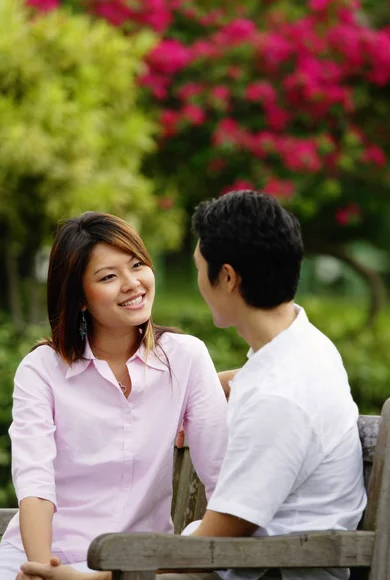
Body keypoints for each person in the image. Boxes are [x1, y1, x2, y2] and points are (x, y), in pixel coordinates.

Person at [20, 191, 367, 580]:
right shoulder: (302, 352)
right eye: (109, 275)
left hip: (264, 567)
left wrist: (96, 579)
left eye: (199, 267)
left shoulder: (277, 394)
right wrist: (211, 383)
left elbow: (218, 542)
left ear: (227, 278)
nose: (134, 283)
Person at [0, 211, 228, 580]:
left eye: (137, 264)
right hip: (47, 555)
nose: (132, 283)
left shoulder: (185, 358)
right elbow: (35, 484)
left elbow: (221, 475)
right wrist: (42, 569)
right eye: (108, 276)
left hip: (136, 566)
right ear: (79, 299)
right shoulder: (41, 369)